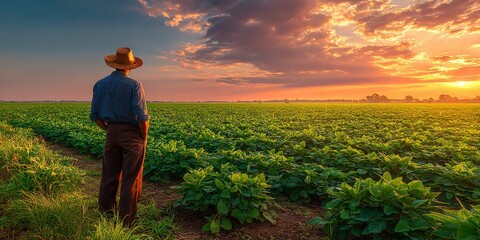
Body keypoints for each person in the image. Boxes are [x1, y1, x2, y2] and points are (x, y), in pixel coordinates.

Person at [90, 47, 150, 226]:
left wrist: (110, 130)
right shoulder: (134, 85)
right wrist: (143, 137)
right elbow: (142, 117)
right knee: (131, 179)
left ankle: (106, 215)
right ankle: (126, 221)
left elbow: (95, 116)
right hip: (132, 135)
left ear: (115, 65)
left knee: (109, 175)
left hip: (111, 133)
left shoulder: (99, 84)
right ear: (129, 67)